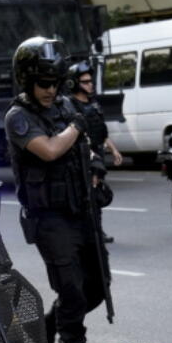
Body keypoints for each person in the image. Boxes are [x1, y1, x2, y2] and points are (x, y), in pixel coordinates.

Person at [5, 36, 111, 343]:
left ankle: (45, 329)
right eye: (42, 83)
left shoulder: (66, 107)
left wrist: (95, 164)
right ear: (27, 80)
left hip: (82, 211)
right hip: (50, 218)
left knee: (96, 288)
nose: (50, 90)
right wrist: (77, 127)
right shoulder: (19, 117)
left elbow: (88, 147)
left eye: (55, 82)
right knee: (71, 290)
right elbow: (50, 149)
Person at [66, 60, 122, 244]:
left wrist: (113, 150)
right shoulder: (70, 106)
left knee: (97, 195)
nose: (90, 84)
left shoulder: (94, 104)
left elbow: (101, 131)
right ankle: (86, 232)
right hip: (83, 156)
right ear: (75, 83)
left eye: (91, 81)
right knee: (85, 195)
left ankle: (97, 230)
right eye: (85, 81)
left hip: (98, 154)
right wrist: (90, 157)